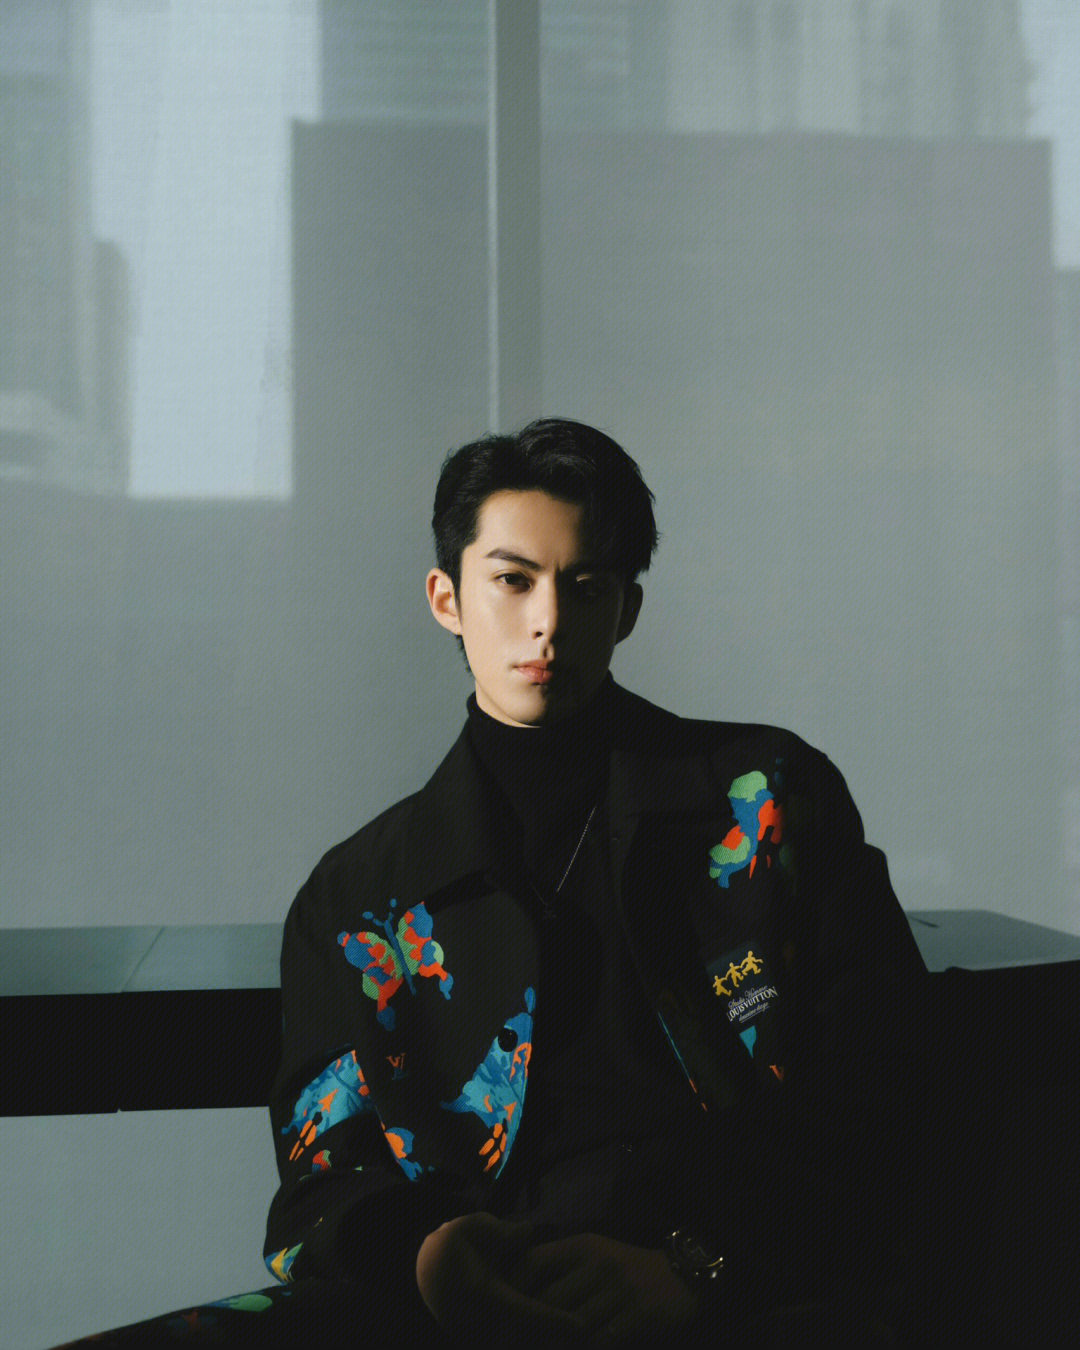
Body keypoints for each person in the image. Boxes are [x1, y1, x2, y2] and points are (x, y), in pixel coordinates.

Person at [57, 418, 927, 1347]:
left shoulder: (768, 801)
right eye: (512, 581)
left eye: (586, 587)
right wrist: (428, 1259)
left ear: (627, 609)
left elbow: (890, 1085)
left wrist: (697, 1264)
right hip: (444, 1312)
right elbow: (322, 1184)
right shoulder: (356, 896)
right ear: (447, 597)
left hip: (737, 1299)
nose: (548, 621)